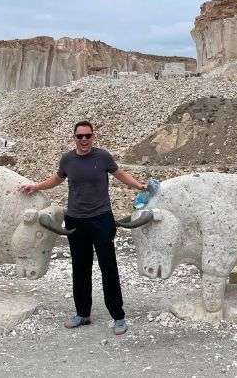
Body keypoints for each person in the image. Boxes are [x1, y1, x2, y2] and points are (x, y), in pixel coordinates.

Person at [19, 120, 146, 335]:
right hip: (76, 220)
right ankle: (82, 314)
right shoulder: (67, 159)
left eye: (88, 136)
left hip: (102, 219)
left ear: (93, 137)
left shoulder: (103, 157)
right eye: (80, 136)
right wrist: (36, 186)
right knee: (80, 269)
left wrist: (140, 186)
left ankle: (118, 316)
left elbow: (120, 174)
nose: (84, 140)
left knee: (109, 268)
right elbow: (56, 179)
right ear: (74, 137)